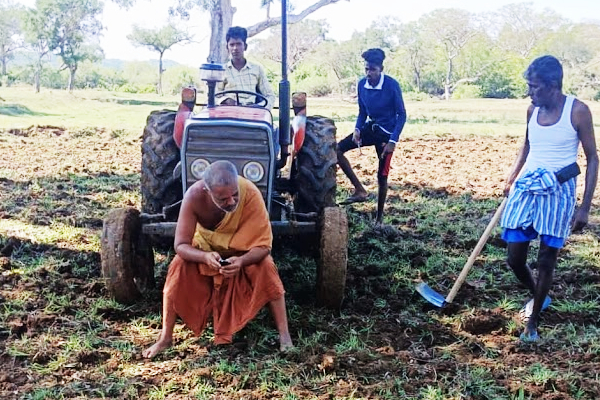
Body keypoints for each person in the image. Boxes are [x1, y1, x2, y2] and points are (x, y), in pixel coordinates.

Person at [142, 160, 293, 358]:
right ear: (207, 190)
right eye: (223, 199)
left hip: (242, 255)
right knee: (177, 266)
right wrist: (204, 257)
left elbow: (264, 246)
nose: (231, 202)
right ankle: (165, 337)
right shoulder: (194, 196)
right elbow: (180, 245)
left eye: (234, 195)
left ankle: (285, 336)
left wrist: (241, 261)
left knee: (266, 266)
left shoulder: (250, 192)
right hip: (206, 252)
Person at [500, 55, 598, 342]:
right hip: (528, 185)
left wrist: (584, 208)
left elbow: (592, 158)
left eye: (535, 87)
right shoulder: (532, 110)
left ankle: (533, 322)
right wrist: (511, 176)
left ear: (553, 85)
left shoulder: (578, 111)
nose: (530, 93)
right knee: (514, 257)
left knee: (546, 258)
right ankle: (539, 295)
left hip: (559, 188)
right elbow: (527, 145)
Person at [336, 48, 407, 224]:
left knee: (382, 176)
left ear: (380, 69)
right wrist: (358, 129)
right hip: (371, 128)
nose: (369, 73)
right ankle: (360, 190)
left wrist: (393, 141)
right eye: (366, 69)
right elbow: (362, 111)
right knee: (336, 149)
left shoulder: (391, 85)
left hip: (386, 134)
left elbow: (402, 114)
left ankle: (379, 218)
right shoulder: (362, 85)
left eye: (373, 69)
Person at [216, 26, 276, 110]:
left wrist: (259, 107)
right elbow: (213, 97)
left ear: (245, 46)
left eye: (239, 44)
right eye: (232, 45)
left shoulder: (257, 69)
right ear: (227, 47)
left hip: (251, 113)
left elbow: (270, 96)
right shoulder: (221, 71)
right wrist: (225, 100)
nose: (235, 48)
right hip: (228, 113)